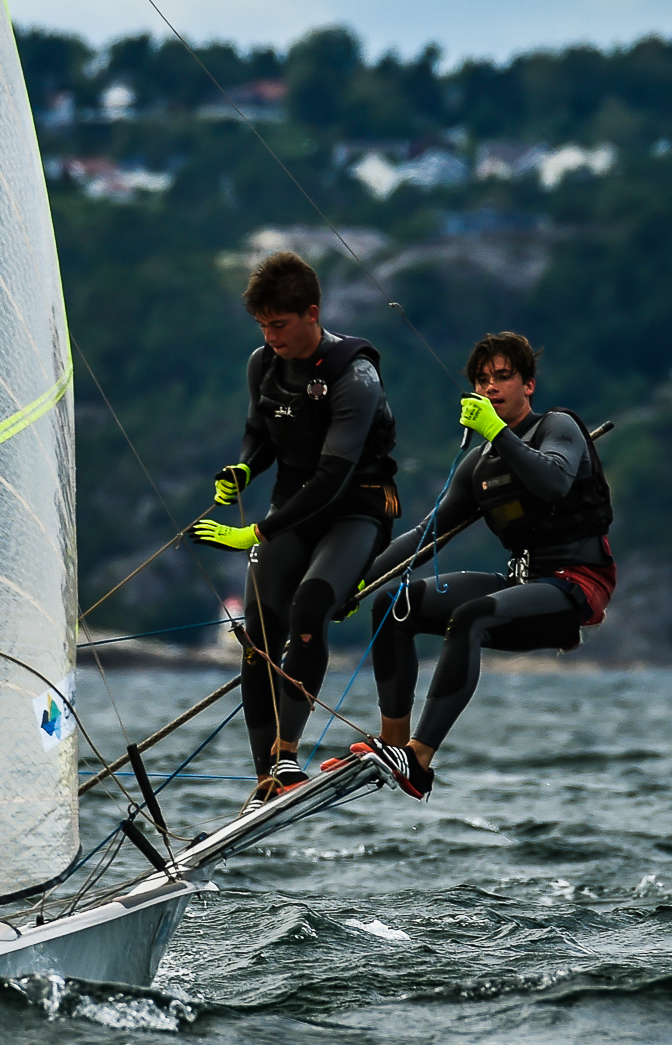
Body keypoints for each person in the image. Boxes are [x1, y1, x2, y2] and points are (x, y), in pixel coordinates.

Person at [350, 331, 617, 799]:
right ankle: (394, 745)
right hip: (521, 582)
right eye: (481, 380)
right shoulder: (479, 464)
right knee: (394, 604)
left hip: (575, 586)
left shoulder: (557, 427)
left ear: (528, 385)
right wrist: (354, 584)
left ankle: (420, 758)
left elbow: (554, 482)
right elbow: (425, 536)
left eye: (502, 377)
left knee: (469, 618)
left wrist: (497, 432)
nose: (490, 387)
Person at [189, 251, 400, 810]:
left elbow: (332, 478)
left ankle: (287, 753)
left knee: (309, 608)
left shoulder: (356, 376)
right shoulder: (264, 363)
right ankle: (267, 777)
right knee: (257, 634)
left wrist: (256, 531)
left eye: (279, 324)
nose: (270, 336)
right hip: (292, 509)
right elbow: (258, 433)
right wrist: (243, 469)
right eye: (262, 325)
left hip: (354, 511)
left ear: (312, 314)